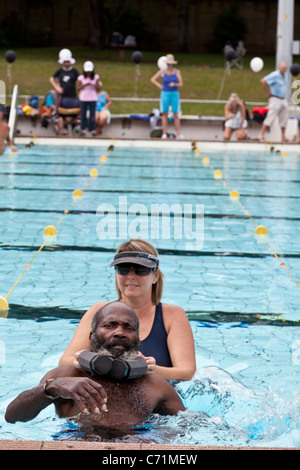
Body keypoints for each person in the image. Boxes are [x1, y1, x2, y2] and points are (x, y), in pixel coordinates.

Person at [5, 301, 185, 436]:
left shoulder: (155, 385)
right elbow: (12, 416)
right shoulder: (67, 376)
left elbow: (189, 426)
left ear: (137, 340)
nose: (119, 332)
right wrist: (52, 387)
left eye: (128, 327)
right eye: (110, 325)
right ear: (92, 337)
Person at [59, 239, 196, 381]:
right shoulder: (99, 311)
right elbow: (65, 361)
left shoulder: (172, 315)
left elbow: (186, 372)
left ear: (155, 275)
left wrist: (149, 369)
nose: (131, 276)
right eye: (123, 269)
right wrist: (89, 360)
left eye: (140, 270)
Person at [150, 54, 184, 140]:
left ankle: (178, 134)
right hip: (165, 93)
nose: (169, 65)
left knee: (176, 114)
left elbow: (181, 83)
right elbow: (153, 79)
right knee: (164, 113)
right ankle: (164, 133)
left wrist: (175, 84)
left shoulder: (177, 72)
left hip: (174, 93)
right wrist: (160, 86)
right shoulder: (162, 72)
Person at [49, 49, 80, 135]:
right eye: (65, 62)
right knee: (62, 113)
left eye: (68, 61)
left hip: (73, 96)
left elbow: (80, 81)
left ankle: (75, 128)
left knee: (74, 112)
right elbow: (52, 79)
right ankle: (64, 128)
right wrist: (56, 87)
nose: (66, 63)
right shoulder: (60, 71)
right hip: (63, 97)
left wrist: (80, 89)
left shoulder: (74, 71)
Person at [259, 62, 289, 143]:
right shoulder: (275, 75)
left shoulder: (285, 75)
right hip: (275, 99)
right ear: (279, 68)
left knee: (284, 118)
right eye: (283, 68)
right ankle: (261, 134)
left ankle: (283, 136)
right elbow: (263, 81)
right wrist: (268, 92)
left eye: (285, 68)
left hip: (283, 99)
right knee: (270, 117)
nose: (284, 69)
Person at [77, 61, 101, 137]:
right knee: (83, 114)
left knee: (92, 114)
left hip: (92, 97)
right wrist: (85, 85)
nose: (88, 72)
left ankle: (93, 129)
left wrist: (92, 84)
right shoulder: (81, 78)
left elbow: (98, 89)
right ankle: (83, 129)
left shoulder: (96, 77)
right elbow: (78, 88)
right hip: (83, 98)